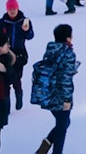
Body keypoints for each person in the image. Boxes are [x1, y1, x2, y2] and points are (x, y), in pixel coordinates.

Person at [32, 23, 79, 154]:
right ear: (68, 38)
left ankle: (44, 147)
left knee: (63, 123)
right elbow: (65, 79)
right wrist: (67, 100)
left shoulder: (50, 50)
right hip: (61, 95)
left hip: (48, 93)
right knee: (62, 127)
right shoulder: (68, 53)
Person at [0, 0, 35, 111]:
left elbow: (30, 36)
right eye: (10, 9)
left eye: (14, 9)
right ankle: (6, 105)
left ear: (18, 8)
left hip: (19, 54)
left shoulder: (24, 21)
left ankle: (19, 96)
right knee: (5, 80)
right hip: (4, 55)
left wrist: (26, 30)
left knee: (16, 78)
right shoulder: (2, 22)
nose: (12, 11)